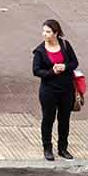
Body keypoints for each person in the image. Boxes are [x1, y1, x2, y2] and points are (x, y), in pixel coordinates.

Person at [32, 18, 79, 161]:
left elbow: (74, 63)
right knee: (48, 119)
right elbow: (36, 71)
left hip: (66, 89)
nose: (44, 34)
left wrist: (65, 67)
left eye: (48, 32)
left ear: (56, 33)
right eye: (44, 31)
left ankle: (63, 148)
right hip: (49, 91)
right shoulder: (40, 51)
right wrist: (52, 72)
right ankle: (47, 148)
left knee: (64, 120)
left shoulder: (65, 45)